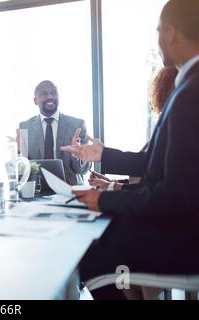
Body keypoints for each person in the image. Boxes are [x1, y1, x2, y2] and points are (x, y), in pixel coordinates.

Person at [61, 0, 199, 299]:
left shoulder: (190, 92)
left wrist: (106, 199)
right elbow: (157, 163)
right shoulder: (187, 85)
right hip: (183, 227)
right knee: (99, 239)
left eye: (159, 31)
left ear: (172, 33)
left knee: (94, 256)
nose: (158, 40)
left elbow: (176, 193)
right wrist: (103, 155)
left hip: (185, 241)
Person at [88, 66, 178, 191]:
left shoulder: (173, 127)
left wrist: (111, 185)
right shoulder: (167, 125)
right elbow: (145, 177)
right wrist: (110, 182)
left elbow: (147, 169)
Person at [18, 80, 91, 185]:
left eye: (54, 93)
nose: (50, 97)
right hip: (37, 191)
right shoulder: (25, 127)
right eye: (44, 94)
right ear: (35, 100)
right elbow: (22, 171)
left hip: (70, 191)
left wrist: (78, 155)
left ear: (59, 97)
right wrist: (18, 153)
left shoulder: (77, 125)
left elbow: (83, 171)